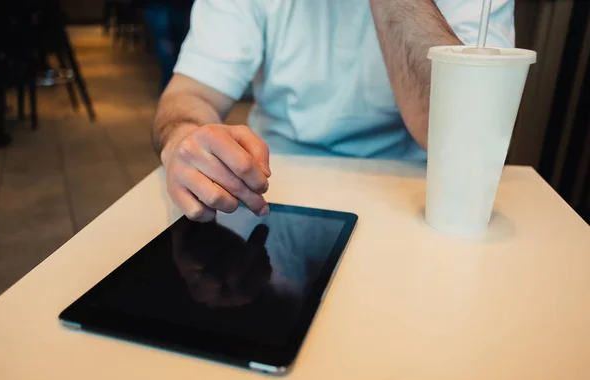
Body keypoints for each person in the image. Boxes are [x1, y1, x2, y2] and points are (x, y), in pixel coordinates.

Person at [151, 0, 515, 221]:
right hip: (275, 185)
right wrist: (186, 139)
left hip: (414, 190)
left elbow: (464, 138)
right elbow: (190, 92)